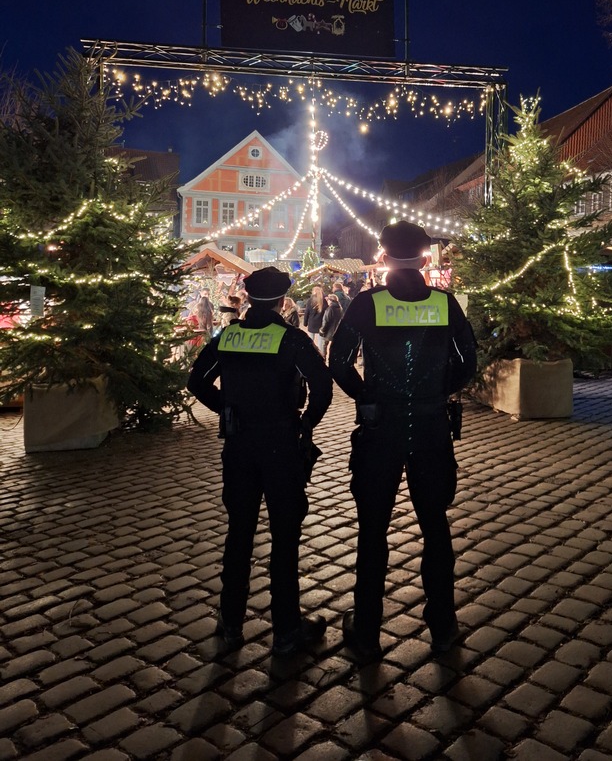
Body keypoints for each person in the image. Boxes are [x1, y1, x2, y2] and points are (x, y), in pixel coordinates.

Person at [329, 220, 477, 661]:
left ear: (383, 255)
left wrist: (367, 394)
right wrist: (438, 390)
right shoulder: (444, 303)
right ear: (426, 257)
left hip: (381, 430)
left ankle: (368, 631)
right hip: (431, 428)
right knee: (435, 526)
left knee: (373, 531)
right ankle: (443, 626)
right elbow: (468, 362)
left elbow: (338, 361)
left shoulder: (366, 303)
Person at [187, 266, 333, 657]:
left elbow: (196, 381)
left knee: (239, 533)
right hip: (281, 446)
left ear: (248, 298)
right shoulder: (291, 339)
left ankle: (231, 622)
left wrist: (226, 408)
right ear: (284, 301)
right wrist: (306, 424)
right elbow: (321, 387)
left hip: (239, 445)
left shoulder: (228, 336)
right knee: (285, 537)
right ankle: (286, 629)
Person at [303, 284, 326, 355]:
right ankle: (321, 356)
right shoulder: (324, 301)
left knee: (310, 340)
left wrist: (305, 323)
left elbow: (307, 312)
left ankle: (310, 354)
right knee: (321, 342)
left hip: (312, 323)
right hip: (321, 323)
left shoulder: (310, 300)